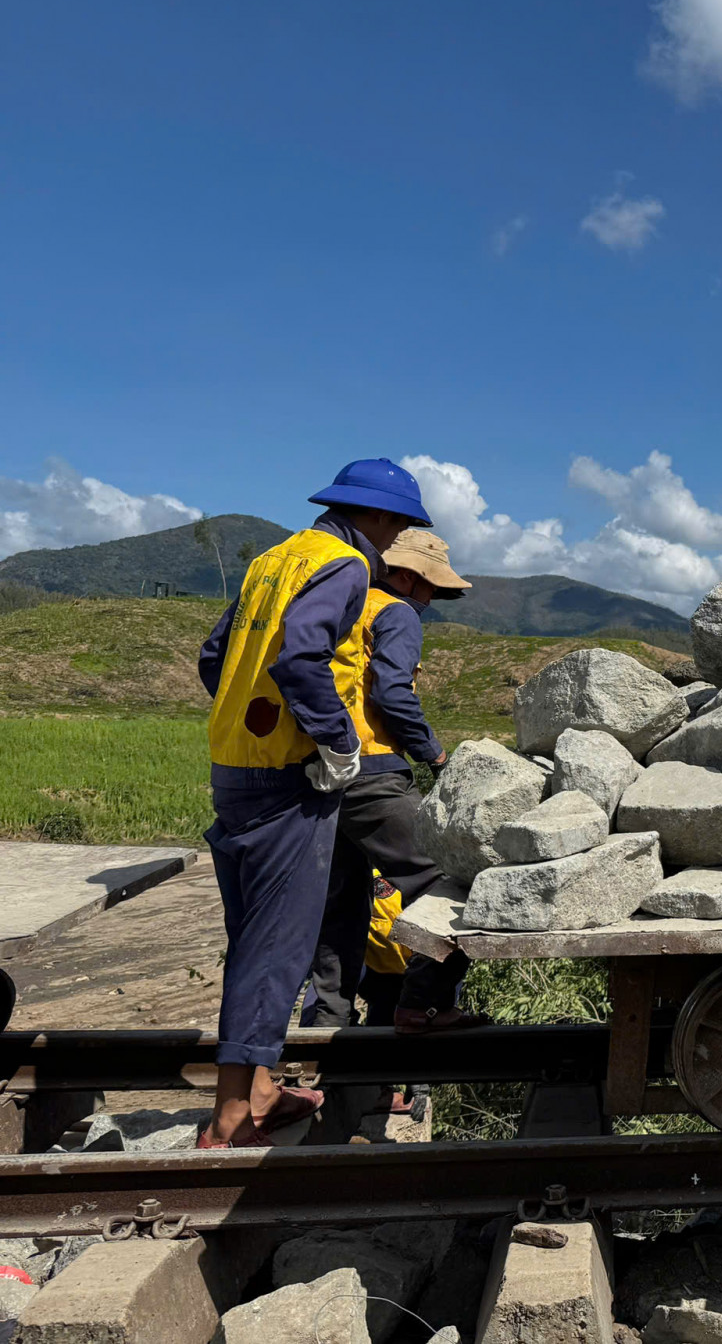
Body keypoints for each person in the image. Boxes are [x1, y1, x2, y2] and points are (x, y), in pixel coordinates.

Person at [197, 458, 432, 1147]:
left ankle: (259, 1090)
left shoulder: (273, 560)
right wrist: (336, 741)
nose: (395, 539)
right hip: (288, 778)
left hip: (234, 765)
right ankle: (233, 1121)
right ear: (380, 516)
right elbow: (301, 659)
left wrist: (252, 716)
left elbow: (215, 656)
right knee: (278, 945)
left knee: (254, 938)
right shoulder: (345, 565)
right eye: (397, 525)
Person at [302, 528, 487, 1037]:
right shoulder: (396, 612)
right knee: (447, 881)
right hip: (372, 772)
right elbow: (391, 692)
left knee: (343, 903)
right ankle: (422, 1004)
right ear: (407, 576)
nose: (430, 601)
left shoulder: (342, 604)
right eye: (430, 587)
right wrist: (436, 755)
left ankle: (329, 1020)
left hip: (320, 771)